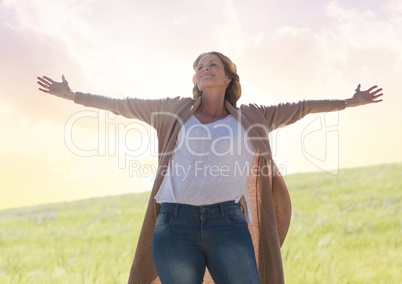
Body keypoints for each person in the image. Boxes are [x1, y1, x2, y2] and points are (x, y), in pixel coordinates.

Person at [37, 51, 383, 284]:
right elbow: (122, 105)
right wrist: (73, 96)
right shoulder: (172, 110)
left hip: (228, 222)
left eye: (212, 64)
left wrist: (352, 101)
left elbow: (303, 106)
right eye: (199, 65)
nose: (204, 68)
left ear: (229, 77)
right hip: (174, 223)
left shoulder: (254, 117)